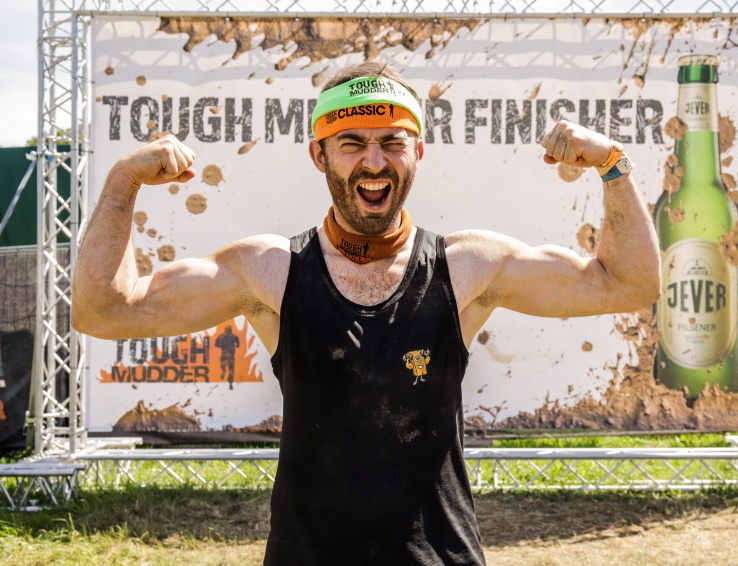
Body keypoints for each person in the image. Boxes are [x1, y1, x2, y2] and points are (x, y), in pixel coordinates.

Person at [72, 62, 661, 565]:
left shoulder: (468, 267)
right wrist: (123, 182)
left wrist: (613, 165)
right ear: (319, 154)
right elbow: (105, 311)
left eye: (392, 142)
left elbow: (629, 285)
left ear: (418, 153)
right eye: (352, 143)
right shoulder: (270, 271)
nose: (374, 163)